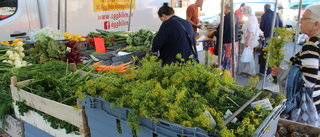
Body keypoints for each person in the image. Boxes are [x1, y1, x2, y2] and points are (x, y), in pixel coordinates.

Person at [272, 4, 320, 115]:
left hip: (304, 105)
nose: (299, 22)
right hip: (315, 101)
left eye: (304, 18)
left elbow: (308, 81)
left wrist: (282, 73)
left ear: (316, 24)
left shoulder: (311, 46)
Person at [208, 3, 239, 75]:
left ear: (225, 7)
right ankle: (229, 79)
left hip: (227, 44)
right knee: (230, 65)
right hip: (233, 42)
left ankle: (227, 81)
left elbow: (222, 32)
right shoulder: (234, 16)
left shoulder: (227, 17)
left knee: (227, 65)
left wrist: (213, 32)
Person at [258, 4, 283, 77]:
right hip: (275, 35)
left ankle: (267, 70)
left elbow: (262, 27)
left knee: (266, 53)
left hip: (268, 35)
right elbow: (281, 24)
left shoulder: (265, 15)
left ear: (264, 8)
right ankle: (271, 68)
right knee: (272, 53)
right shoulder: (276, 14)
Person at [240, 5, 261, 77]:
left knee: (249, 56)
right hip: (250, 40)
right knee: (248, 55)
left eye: (243, 11)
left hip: (250, 40)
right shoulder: (252, 18)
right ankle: (247, 71)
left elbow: (251, 32)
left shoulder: (251, 19)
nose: (242, 13)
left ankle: (252, 72)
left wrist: (247, 41)